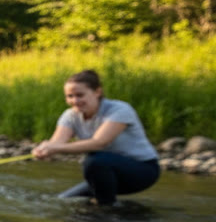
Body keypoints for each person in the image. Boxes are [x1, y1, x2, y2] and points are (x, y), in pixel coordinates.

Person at [32, 69, 160, 205]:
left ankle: (107, 208)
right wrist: (44, 150)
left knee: (94, 161)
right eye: (70, 96)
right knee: (62, 200)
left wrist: (55, 148)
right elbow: (57, 143)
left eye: (80, 95)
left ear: (97, 92)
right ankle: (105, 206)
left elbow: (99, 143)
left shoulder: (120, 110)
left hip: (143, 171)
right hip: (104, 171)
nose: (75, 100)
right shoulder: (70, 115)